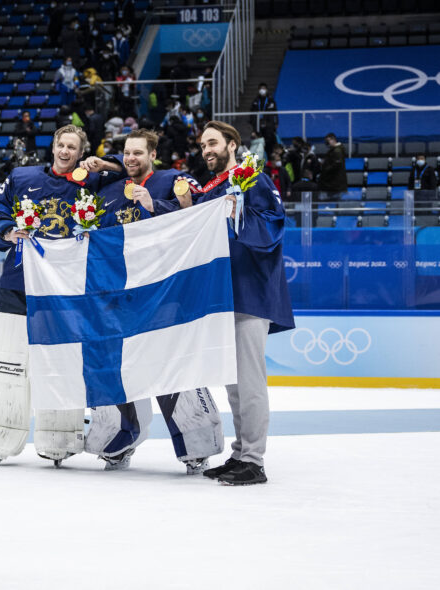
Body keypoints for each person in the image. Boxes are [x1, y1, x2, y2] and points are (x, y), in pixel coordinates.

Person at [0, 124, 125, 466]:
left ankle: (60, 434)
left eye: (73, 147)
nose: (65, 151)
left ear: (80, 151)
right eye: (62, 144)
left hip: (65, 290)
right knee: (6, 361)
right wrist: (8, 231)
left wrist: (104, 164)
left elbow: (126, 170)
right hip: (18, 284)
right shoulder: (22, 177)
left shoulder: (92, 180)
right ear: (54, 146)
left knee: (63, 363)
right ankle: (0, 429)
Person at [82, 128, 225, 473]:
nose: (131, 159)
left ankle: (197, 445)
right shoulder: (108, 189)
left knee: (170, 367)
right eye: (126, 153)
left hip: (161, 296)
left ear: (152, 154)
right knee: (114, 368)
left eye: (138, 153)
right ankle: (117, 440)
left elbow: (198, 210)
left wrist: (154, 205)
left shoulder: (173, 180)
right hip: (117, 297)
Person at [188, 120, 294, 485]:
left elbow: (274, 222)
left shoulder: (252, 179)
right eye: (203, 146)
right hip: (223, 296)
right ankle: (240, 453)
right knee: (233, 384)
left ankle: (254, 460)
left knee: (249, 382)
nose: (207, 151)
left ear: (232, 144)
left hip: (249, 292)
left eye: (213, 143)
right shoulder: (213, 189)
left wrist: (240, 212)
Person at [250, 83, 278, 155]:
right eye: (261, 89)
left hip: (269, 128)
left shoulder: (271, 101)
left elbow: (275, 113)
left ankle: (270, 163)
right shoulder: (255, 101)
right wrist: (253, 128)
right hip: (258, 128)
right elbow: (251, 115)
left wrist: (276, 123)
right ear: (258, 90)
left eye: (264, 88)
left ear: (267, 90)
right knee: (259, 149)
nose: (262, 90)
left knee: (270, 147)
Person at [318, 132, 347, 196]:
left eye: (328, 141)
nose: (327, 143)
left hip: (334, 184)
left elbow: (336, 165)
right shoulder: (334, 150)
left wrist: (325, 167)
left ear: (333, 139)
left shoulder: (337, 151)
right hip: (333, 183)